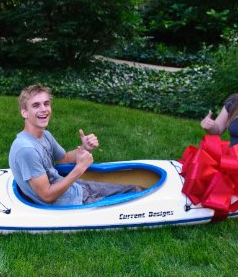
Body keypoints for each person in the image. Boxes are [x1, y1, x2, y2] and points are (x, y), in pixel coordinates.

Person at [9, 84, 140, 206]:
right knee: (134, 203)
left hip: (76, 188)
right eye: (36, 105)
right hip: (73, 203)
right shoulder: (27, 150)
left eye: (46, 104)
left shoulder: (45, 135)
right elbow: (47, 195)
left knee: (135, 189)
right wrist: (80, 168)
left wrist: (84, 147)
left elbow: (64, 158)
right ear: (24, 112)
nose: (43, 109)